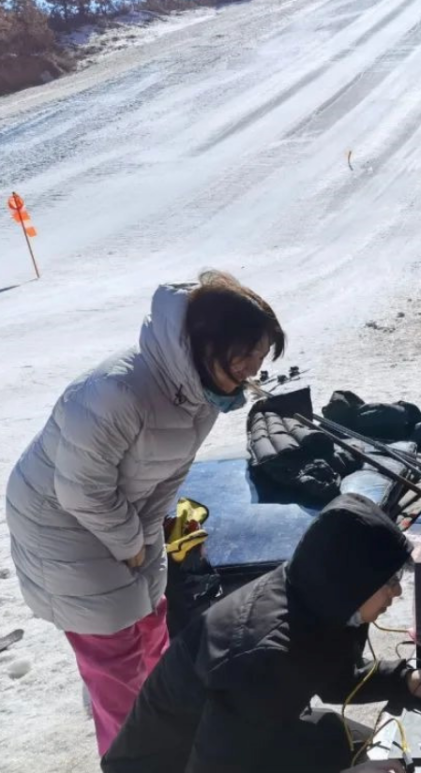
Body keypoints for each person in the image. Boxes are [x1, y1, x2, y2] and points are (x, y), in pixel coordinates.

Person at [5, 271, 285, 756]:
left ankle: (166, 725)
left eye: (260, 356)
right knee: (114, 656)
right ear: (204, 342)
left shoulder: (202, 391)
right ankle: (134, 757)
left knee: (153, 620)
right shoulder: (117, 391)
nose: (252, 369)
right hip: (59, 524)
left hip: (125, 515)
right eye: (245, 355)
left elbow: (166, 476)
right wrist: (133, 546)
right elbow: (81, 491)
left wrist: (151, 541)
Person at [102, 494, 421, 773]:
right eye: (389, 581)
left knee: (365, 746)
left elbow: (336, 681)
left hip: (251, 735)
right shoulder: (263, 655)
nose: (397, 592)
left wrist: (408, 679)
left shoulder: (322, 598)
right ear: (354, 580)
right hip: (173, 765)